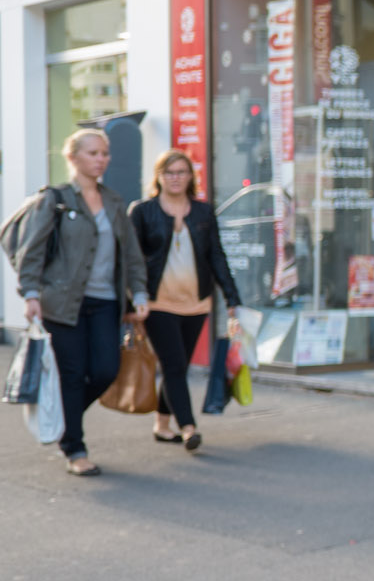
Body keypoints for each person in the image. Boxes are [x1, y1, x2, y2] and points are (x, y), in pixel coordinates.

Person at [16, 129, 150, 476]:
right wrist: (30, 294)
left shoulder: (114, 201)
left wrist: (140, 292)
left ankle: (64, 418)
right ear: (73, 158)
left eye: (105, 153)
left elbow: (132, 255)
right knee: (73, 375)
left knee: (106, 369)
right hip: (62, 303)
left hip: (106, 301)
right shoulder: (56, 199)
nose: (101, 159)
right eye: (93, 153)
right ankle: (75, 447)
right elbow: (31, 252)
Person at [130, 149, 243, 452]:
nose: (176, 178)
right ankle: (188, 427)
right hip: (158, 303)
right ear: (159, 176)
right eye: (169, 172)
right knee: (175, 364)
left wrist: (232, 297)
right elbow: (132, 261)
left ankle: (162, 424)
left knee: (175, 366)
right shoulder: (142, 212)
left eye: (182, 172)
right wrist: (132, 300)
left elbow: (216, 257)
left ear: (191, 177)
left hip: (196, 303)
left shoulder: (203, 212)